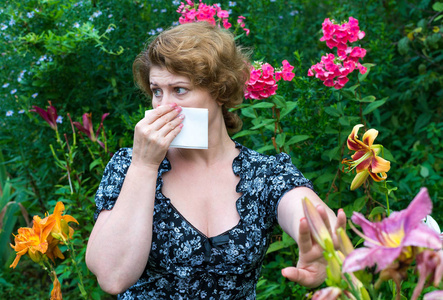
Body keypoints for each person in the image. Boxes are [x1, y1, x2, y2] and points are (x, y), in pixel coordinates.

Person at [85, 21, 346, 299]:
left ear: (220, 91)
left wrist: (326, 244)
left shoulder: (264, 174)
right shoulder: (129, 166)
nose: (162, 106)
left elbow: (307, 212)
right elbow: (112, 278)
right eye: (156, 91)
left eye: (180, 90)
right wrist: (145, 166)